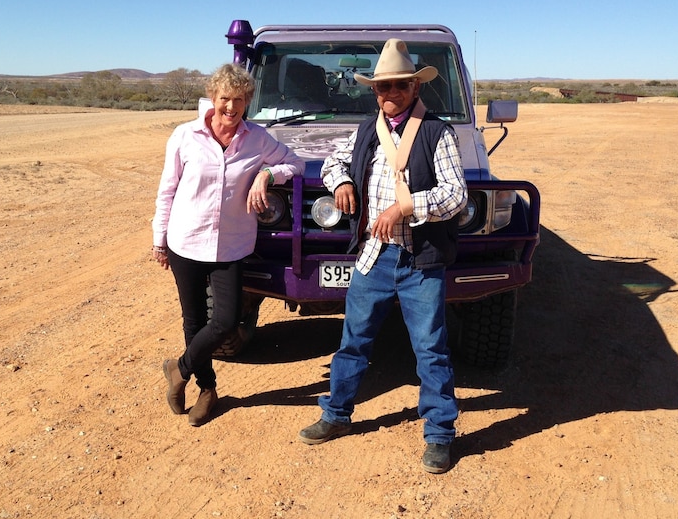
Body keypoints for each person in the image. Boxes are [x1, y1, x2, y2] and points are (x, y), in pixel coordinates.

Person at [297, 39, 467, 473]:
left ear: (414, 87)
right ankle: (336, 416)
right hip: (374, 257)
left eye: (396, 86)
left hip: (420, 258)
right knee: (353, 342)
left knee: (431, 349)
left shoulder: (438, 132)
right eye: (381, 88)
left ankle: (439, 435)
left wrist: (404, 207)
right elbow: (332, 163)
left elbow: (455, 196)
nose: (388, 94)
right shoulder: (365, 131)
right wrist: (339, 183)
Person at [153, 64, 304, 426]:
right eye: (225, 99)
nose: (231, 108)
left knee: (225, 320)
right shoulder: (185, 135)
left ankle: (179, 367)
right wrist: (159, 239)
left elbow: (295, 164)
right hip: (186, 241)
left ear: (247, 102)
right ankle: (207, 390)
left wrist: (267, 174)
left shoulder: (257, 138)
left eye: (239, 100)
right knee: (194, 321)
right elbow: (167, 190)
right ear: (213, 97)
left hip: (231, 246)